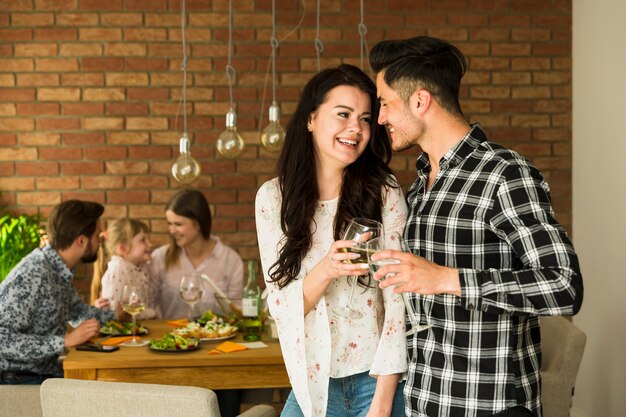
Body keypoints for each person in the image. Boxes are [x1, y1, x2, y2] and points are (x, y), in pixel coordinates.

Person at [368, 36, 584, 417]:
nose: (380, 117)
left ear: (420, 101)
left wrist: (446, 279)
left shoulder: (504, 174)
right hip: (428, 401)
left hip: (490, 406)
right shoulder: (419, 185)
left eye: (385, 103)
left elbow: (564, 285)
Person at [255, 63, 408, 417]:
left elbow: (398, 303)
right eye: (343, 114)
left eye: (366, 118)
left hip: (377, 381)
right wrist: (327, 268)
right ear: (311, 118)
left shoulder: (383, 191)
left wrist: (383, 403)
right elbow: (280, 307)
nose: (355, 128)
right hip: (312, 383)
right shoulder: (273, 199)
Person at [149, 188, 244, 417]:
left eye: (178, 224)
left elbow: (237, 312)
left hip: (217, 355)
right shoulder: (160, 258)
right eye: (169, 224)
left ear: (199, 223)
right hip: (173, 353)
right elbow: (148, 306)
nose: (172, 230)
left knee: (228, 388)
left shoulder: (229, 259)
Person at [0, 200, 115, 384]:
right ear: (81, 240)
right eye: (97, 235)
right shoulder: (33, 274)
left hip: (46, 374)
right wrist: (63, 341)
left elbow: (79, 313)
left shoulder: (58, 270)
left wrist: (119, 317)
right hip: (19, 381)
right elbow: (2, 340)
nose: (100, 241)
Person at [91, 218, 158, 320]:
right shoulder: (118, 270)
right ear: (123, 248)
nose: (150, 244)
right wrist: (152, 313)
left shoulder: (141, 267)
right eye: (143, 240)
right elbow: (119, 313)